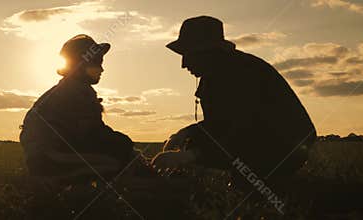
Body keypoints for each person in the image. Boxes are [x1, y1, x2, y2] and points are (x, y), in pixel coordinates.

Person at [152, 16, 317, 184]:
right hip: (261, 138)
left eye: (188, 55)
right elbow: (218, 123)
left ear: (208, 52)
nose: (184, 64)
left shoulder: (244, 73)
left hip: (285, 145)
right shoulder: (214, 74)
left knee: (246, 176)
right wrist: (186, 133)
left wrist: (190, 156)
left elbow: (242, 129)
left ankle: (263, 184)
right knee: (196, 140)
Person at [20, 34, 135, 180]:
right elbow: (92, 135)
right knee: (118, 164)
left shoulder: (70, 89)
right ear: (81, 66)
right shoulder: (74, 93)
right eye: (97, 63)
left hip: (47, 157)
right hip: (52, 160)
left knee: (120, 154)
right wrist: (126, 145)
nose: (102, 69)